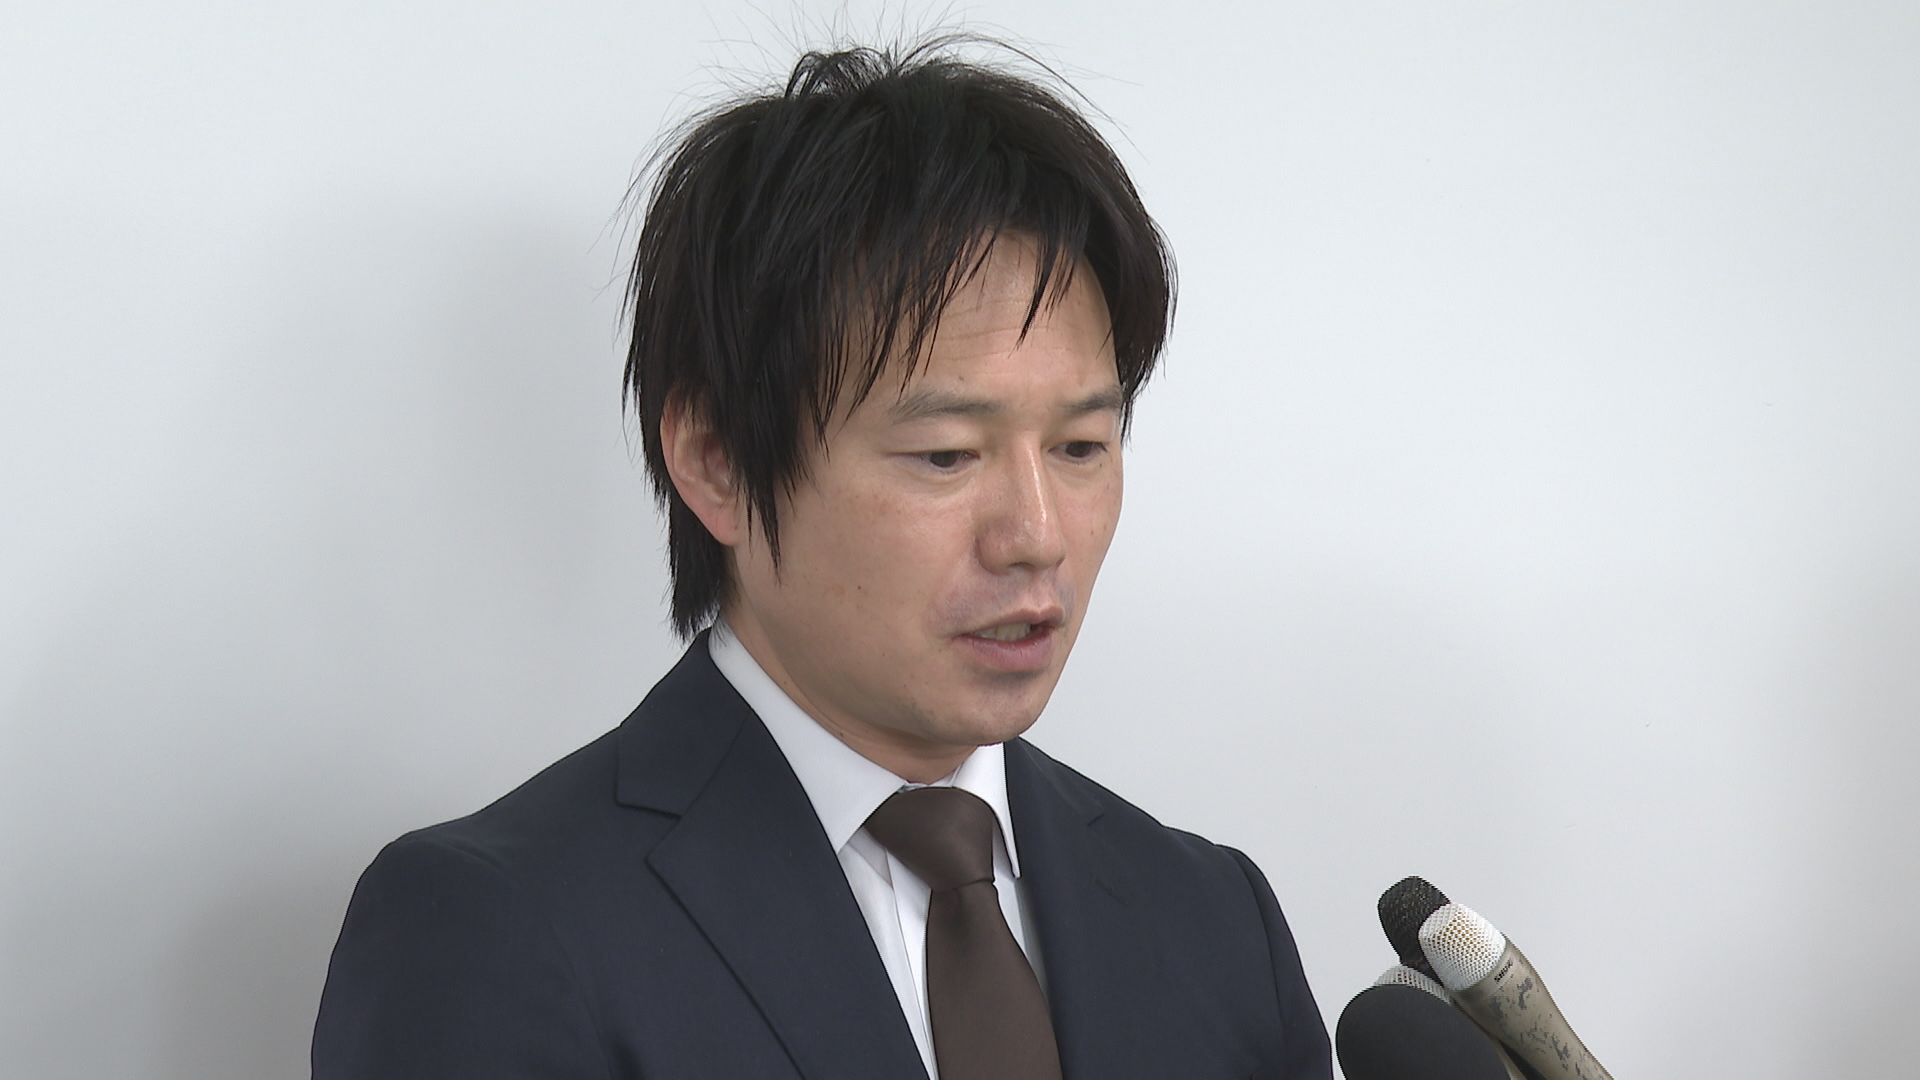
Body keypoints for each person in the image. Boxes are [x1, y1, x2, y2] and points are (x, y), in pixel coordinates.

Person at [312, 37, 1332, 1080]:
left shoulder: (1215, 919)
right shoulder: (494, 928)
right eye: (946, 455)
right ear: (715, 461)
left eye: (1080, 447)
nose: (1037, 535)